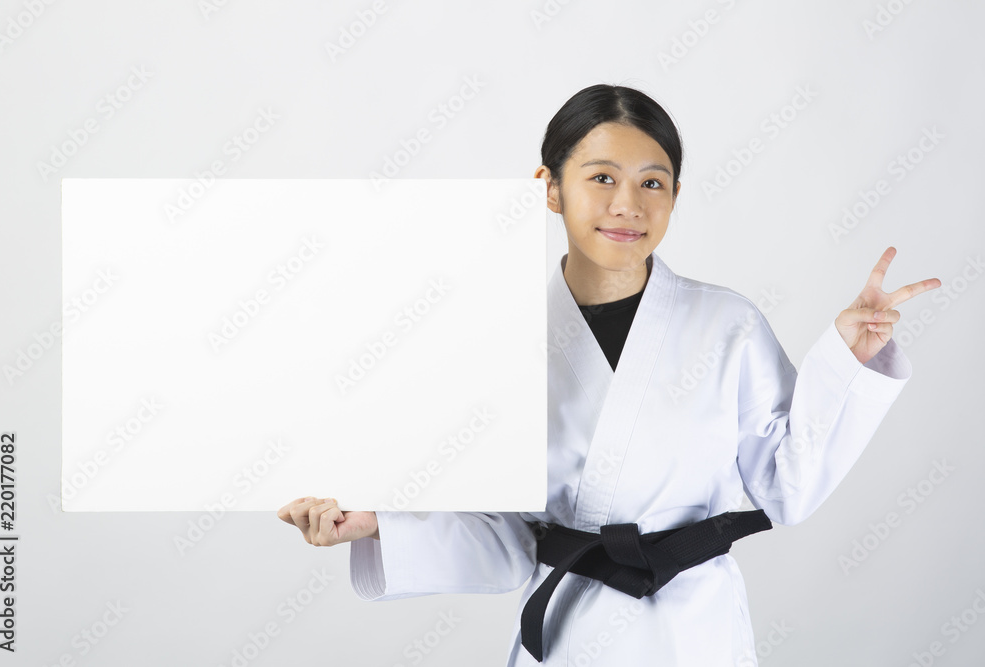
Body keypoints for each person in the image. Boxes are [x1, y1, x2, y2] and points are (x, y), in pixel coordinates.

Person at [277, 83, 941, 665]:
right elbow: (508, 542)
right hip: (569, 631)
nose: (628, 204)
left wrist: (845, 358)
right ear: (550, 188)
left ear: (674, 196)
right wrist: (377, 525)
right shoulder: (500, 343)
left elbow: (787, 487)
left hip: (691, 631)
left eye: (652, 183)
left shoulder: (727, 324)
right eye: (601, 177)